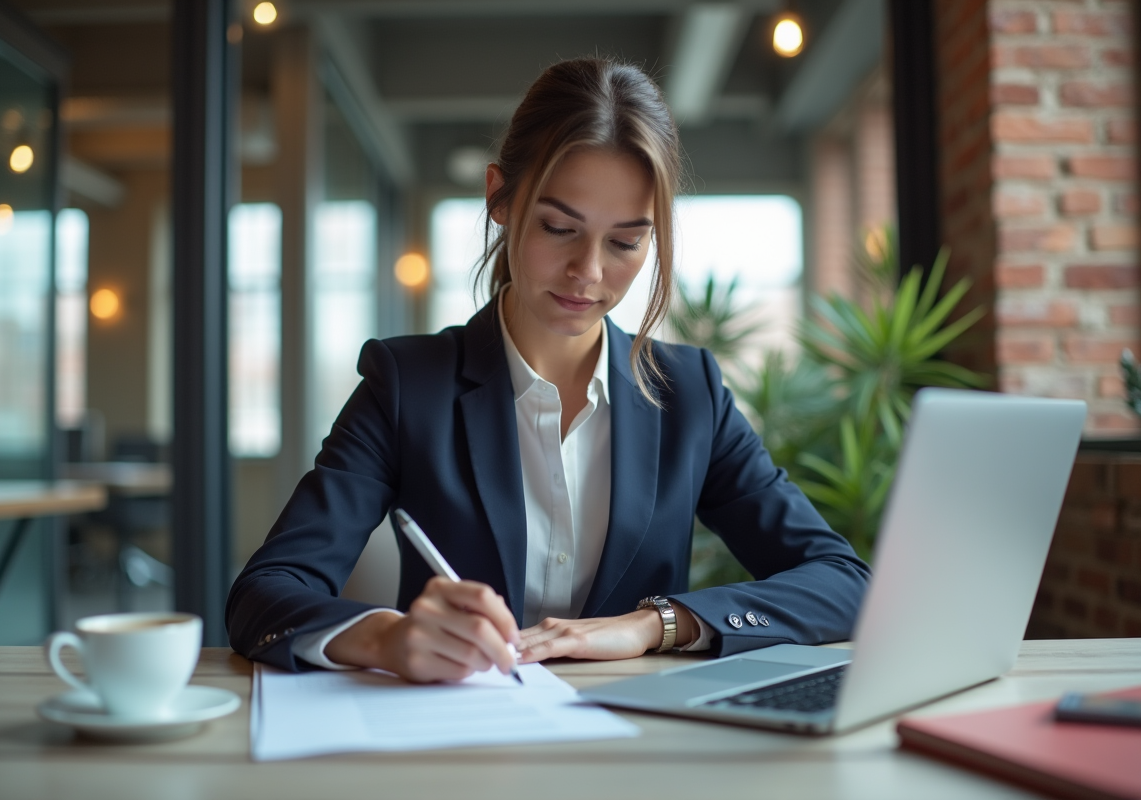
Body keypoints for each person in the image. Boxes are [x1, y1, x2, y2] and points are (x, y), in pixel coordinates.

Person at [226, 57, 871, 682]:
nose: (588, 272)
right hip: (459, 733)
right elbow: (265, 592)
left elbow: (843, 582)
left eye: (625, 242)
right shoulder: (407, 386)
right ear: (499, 198)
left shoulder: (690, 394)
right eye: (559, 228)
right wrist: (385, 637)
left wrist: (655, 625)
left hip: (640, 735)